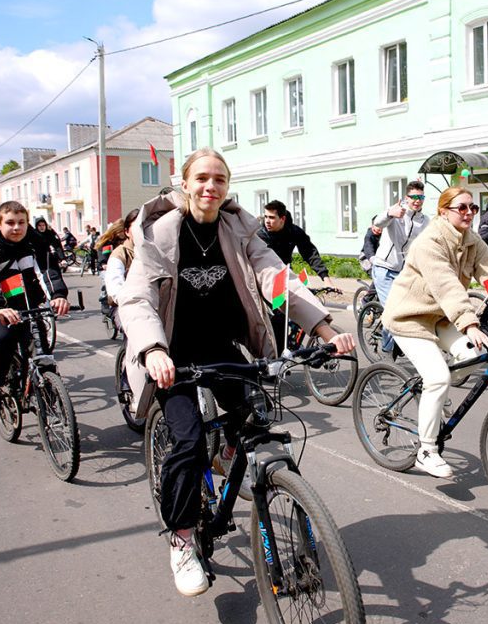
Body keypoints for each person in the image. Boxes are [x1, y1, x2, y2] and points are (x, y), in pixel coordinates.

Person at [117, 148, 354, 598]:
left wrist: (321, 326)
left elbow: (275, 277)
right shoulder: (160, 232)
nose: (210, 187)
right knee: (186, 441)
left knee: (255, 419)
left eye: (219, 179)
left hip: (222, 345)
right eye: (202, 178)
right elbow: (136, 298)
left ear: (228, 186)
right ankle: (182, 539)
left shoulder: (239, 227)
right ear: (184, 183)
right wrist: (151, 350)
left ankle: (227, 452)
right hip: (172, 351)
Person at [382, 187, 488, 478]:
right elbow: (446, 285)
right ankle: (427, 450)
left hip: (442, 317)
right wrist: (470, 324)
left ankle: (437, 394)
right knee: (438, 377)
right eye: (462, 208)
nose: (469, 212)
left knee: (479, 356)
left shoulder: (474, 242)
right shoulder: (429, 242)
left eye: (473, 208)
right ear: (444, 211)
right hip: (409, 318)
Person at [0, 201, 70, 412]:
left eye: (21, 222)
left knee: (42, 350)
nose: (17, 228)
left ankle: (48, 397)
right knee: (3, 340)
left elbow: (48, 270)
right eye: (10, 223)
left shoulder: (35, 240)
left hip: (26, 305)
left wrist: (57, 295)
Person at [372, 180, 430, 352]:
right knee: (394, 310)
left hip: (403, 271)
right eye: (414, 197)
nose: (417, 200)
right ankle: (388, 351)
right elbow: (378, 222)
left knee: (412, 307)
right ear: (407, 197)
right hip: (384, 268)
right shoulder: (398, 212)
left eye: (421, 197)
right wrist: (390, 213)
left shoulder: (425, 220)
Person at [257, 200, 330, 281]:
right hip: (264, 274)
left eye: (271, 217)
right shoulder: (258, 235)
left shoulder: (294, 231)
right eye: (266, 216)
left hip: (285, 272)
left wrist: (326, 278)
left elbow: (310, 253)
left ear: (282, 219)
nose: (267, 221)